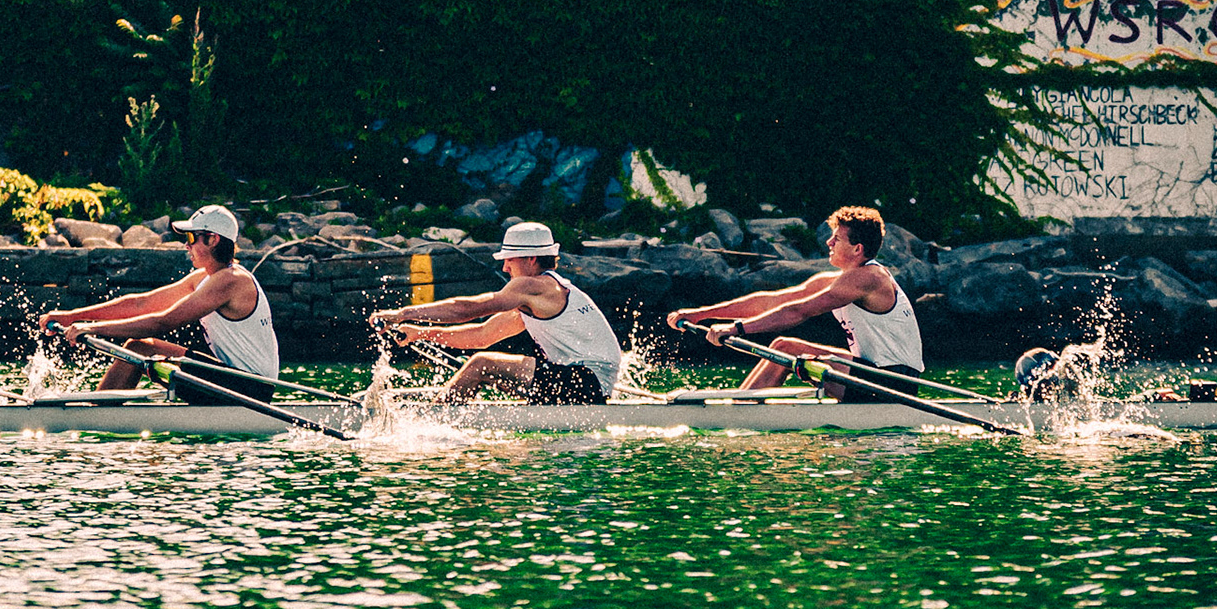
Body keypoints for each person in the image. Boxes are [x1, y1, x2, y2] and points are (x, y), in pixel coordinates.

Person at [666, 205, 921, 400]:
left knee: (787, 349)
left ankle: (739, 412)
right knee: (782, 346)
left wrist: (737, 328)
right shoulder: (837, 280)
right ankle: (741, 405)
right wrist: (701, 314)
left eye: (837, 239)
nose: (829, 242)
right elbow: (771, 301)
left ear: (857, 249)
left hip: (895, 383)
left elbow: (799, 312)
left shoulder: (870, 278)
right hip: (872, 373)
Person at [37, 205, 279, 405]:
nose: (187, 245)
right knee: (138, 348)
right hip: (231, 379)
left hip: (252, 390)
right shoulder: (205, 278)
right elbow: (142, 304)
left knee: (140, 348)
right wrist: (71, 316)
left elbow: (163, 322)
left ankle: (96, 415)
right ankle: (98, 411)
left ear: (213, 240)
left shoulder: (231, 281)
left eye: (191, 238)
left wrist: (92, 328)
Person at [372, 221, 623, 404]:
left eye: (509, 260)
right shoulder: (540, 298)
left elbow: (468, 309)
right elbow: (482, 335)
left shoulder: (535, 287)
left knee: (481, 364)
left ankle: (433, 421)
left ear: (531, 259)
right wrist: (420, 333)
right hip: (585, 385)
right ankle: (443, 414)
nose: (504, 268)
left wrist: (402, 313)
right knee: (481, 361)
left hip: (586, 382)